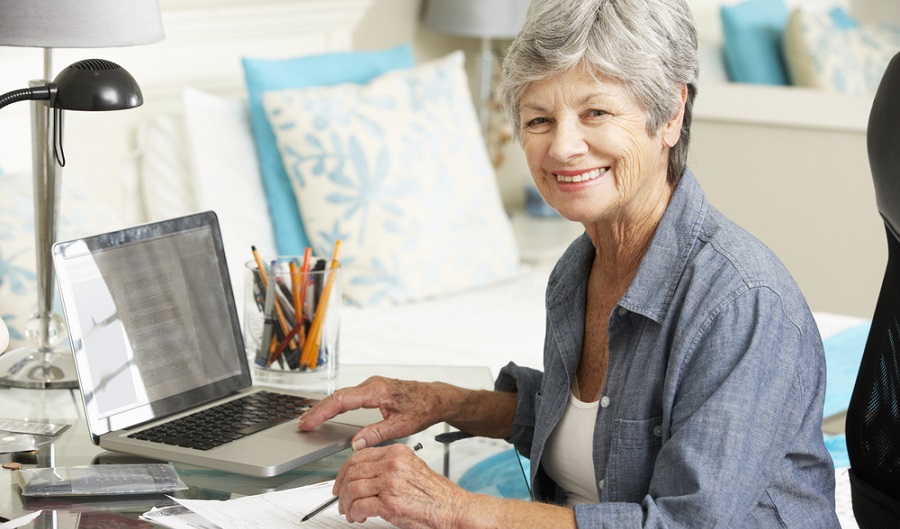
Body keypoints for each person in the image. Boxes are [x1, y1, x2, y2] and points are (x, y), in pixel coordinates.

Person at [298, 0, 841, 526]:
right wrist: (442, 401)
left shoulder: (740, 304)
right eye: (539, 120)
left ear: (671, 114)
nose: (562, 148)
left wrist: (455, 508)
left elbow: (683, 524)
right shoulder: (577, 271)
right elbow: (591, 426)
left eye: (595, 112)